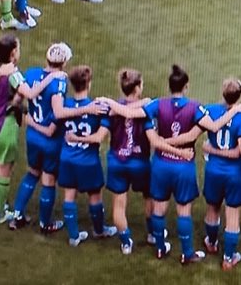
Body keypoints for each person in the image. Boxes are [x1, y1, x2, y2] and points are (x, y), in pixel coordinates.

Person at [101, 64, 241, 263]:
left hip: (161, 164)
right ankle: (187, 254)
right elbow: (213, 126)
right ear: (186, 86)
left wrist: (109, 101)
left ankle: (160, 248)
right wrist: (235, 110)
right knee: (183, 211)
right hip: (183, 167)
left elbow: (129, 113)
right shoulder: (195, 107)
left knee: (159, 209)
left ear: (169, 86)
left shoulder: (158, 104)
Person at [0, 34, 63, 225]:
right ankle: (0, 214)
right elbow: (30, 93)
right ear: (12, 54)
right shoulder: (13, 74)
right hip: (2, 126)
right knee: (4, 169)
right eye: (17, 49)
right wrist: (52, 76)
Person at [9, 42, 75, 233]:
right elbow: (58, 111)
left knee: (31, 173)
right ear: (63, 63)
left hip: (32, 136)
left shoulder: (31, 74)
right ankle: (45, 223)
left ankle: (18, 215)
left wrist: (27, 119)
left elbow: (18, 101)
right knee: (48, 180)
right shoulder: (59, 83)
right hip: (50, 140)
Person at [53, 66, 118, 246]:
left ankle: (74, 236)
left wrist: (73, 137)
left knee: (69, 195)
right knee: (95, 196)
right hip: (88, 161)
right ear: (88, 84)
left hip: (67, 157)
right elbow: (100, 136)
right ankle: (99, 230)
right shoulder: (98, 108)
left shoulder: (64, 106)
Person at [99, 69, 155, 254]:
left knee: (119, 204)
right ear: (137, 88)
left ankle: (125, 242)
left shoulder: (112, 109)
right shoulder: (145, 109)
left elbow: (104, 133)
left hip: (118, 162)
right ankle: (152, 234)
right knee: (149, 197)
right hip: (140, 163)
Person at [200, 78, 241, 270]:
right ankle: (229, 258)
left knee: (212, 208)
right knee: (232, 214)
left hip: (213, 171)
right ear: (240, 95)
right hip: (234, 174)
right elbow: (239, 152)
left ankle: (211, 243)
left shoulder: (211, 111)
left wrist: (211, 150)